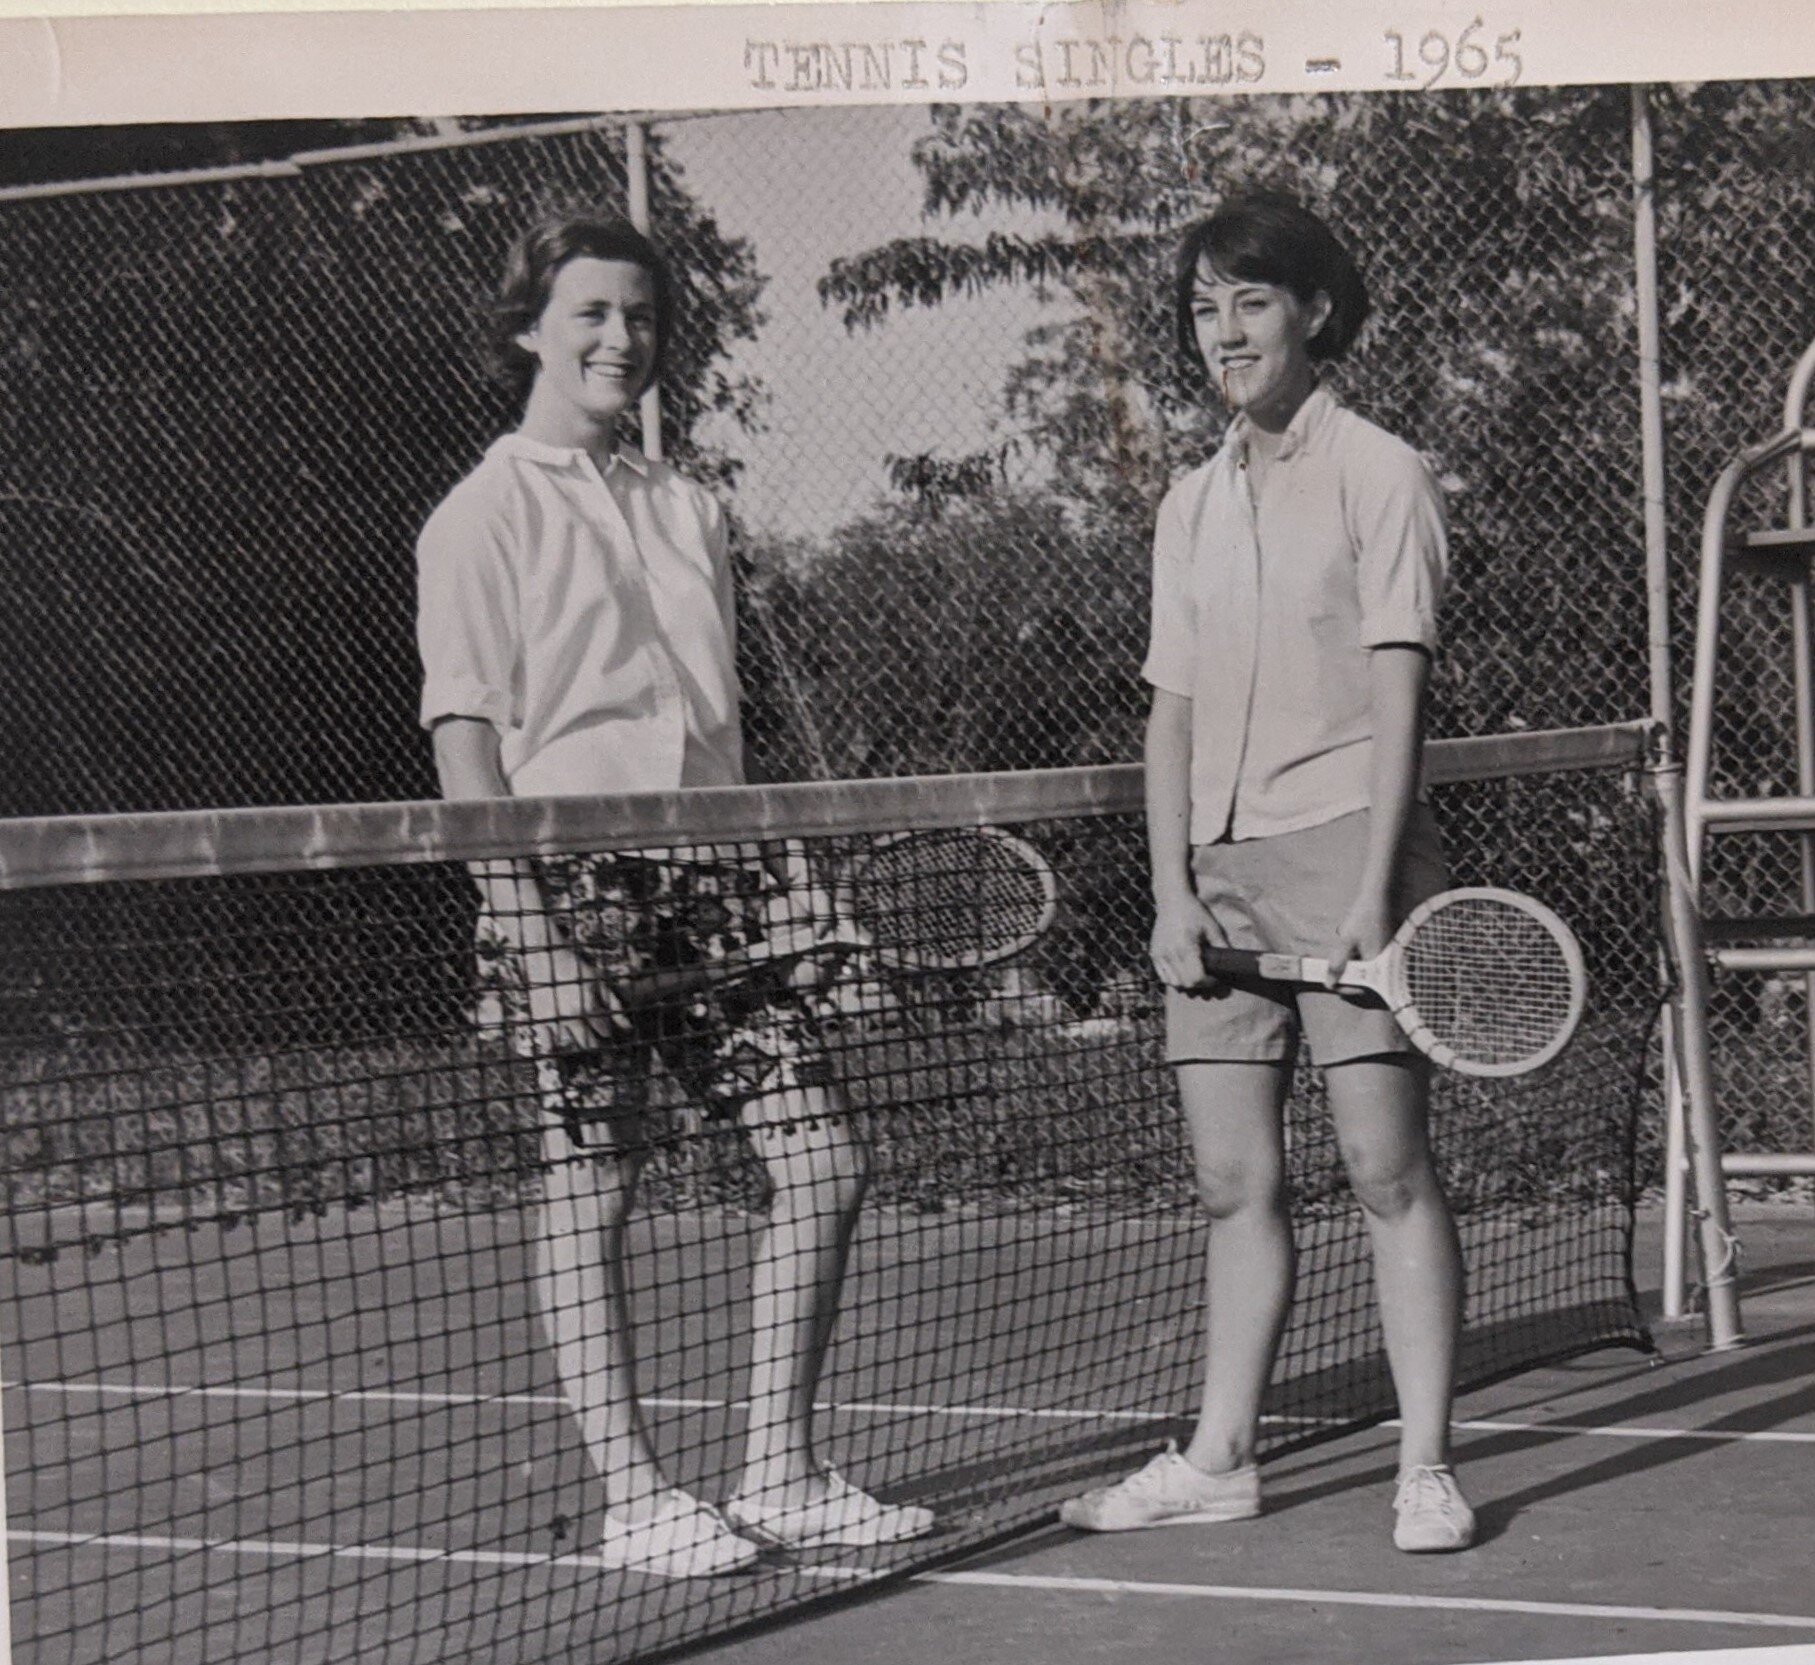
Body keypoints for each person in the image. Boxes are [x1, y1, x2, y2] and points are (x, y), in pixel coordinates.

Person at [416, 210, 933, 1579]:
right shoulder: (477, 515)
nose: (620, 339)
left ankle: (782, 1467)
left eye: (640, 317)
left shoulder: (688, 505)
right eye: (590, 313)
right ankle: (635, 1494)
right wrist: (527, 923)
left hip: (720, 877)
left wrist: (795, 879)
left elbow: (726, 728)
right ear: (531, 325)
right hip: (567, 882)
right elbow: (465, 741)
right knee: (593, 1188)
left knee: (825, 1161)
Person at [1059, 194, 1474, 1553]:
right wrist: (1173, 889)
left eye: (1248, 300)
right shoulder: (1186, 501)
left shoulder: (1382, 471)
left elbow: (1397, 682)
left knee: (1384, 1165)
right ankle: (1221, 1455)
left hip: (1350, 847)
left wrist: (1369, 888)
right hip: (1218, 875)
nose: (1220, 331)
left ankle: (1424, 1465)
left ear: (1313, 311)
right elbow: (1168, 709)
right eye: (1200, 307)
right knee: (1235, 1184)